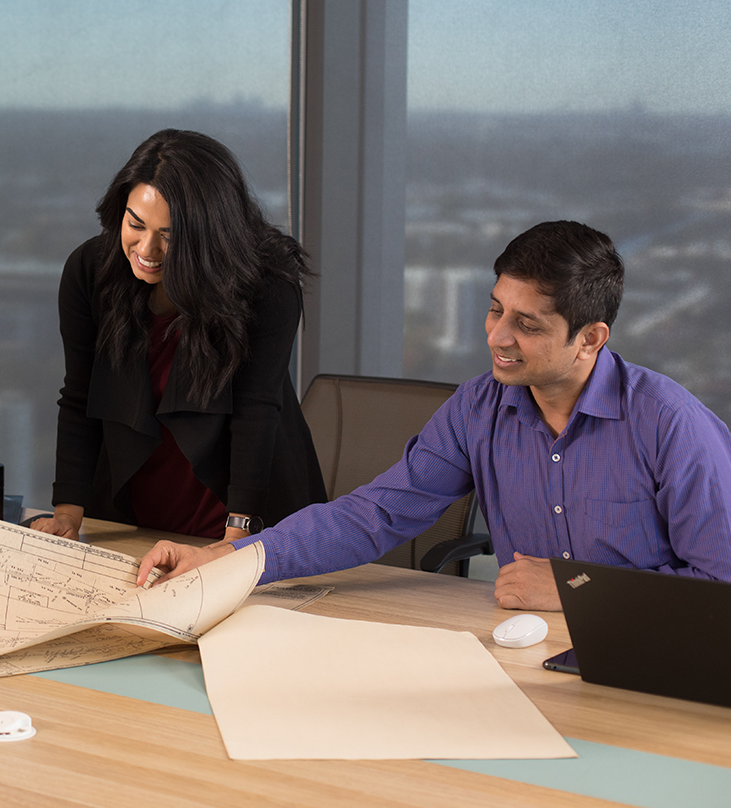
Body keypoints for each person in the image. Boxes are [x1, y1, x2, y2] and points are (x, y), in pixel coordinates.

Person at [137, 221, 731, 609]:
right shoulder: (479, 408)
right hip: (521, 652)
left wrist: (579, 589)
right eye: (496, 310)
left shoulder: (670, 425)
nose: (498, 336)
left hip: (646, 670)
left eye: (528, 325)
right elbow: (373, 516)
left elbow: (721, 588)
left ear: (590, 338)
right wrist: (226, 560)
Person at [32, 129, 326, 543]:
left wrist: (236, 539)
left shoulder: (267, 285)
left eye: (169, 235)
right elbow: (80, 396)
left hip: (244, 515)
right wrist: (67, 512)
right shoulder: (89, 272)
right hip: (132, 518)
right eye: (135, 224)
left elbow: (255, 411)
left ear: (209, 235)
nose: (147, 249)